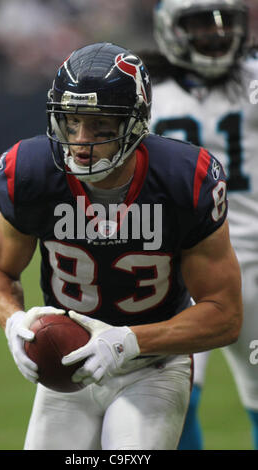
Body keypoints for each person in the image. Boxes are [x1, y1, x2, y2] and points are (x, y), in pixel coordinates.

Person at [0, 42, 242, 450]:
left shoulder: (183, 180)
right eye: (71, 123)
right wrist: (13, 321)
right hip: (67, 367)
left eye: (101, 127)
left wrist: (129, 341)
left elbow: (224, 315)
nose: (81, 142)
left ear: (136, 124)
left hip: (151, 365)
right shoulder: (30, 171)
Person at [143, 0, 258, 450]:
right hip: (176, 260)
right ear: (171, 28)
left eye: (223, 23)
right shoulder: (145, 85)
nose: (215, 34)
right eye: (199, 24)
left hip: (247, 254)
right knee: (172, 398)